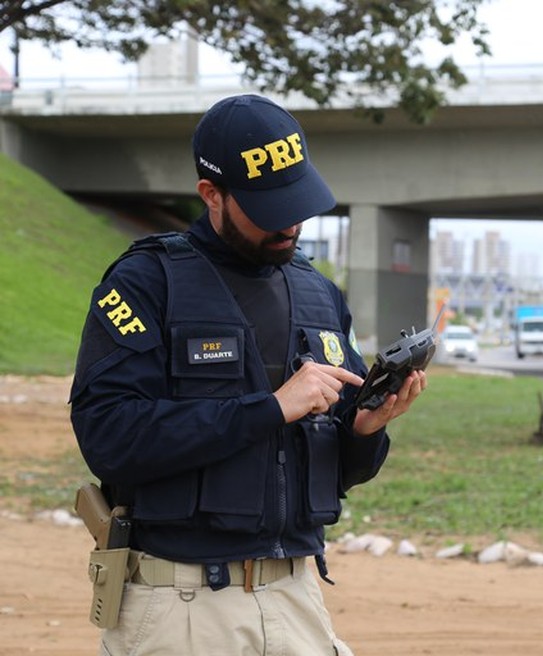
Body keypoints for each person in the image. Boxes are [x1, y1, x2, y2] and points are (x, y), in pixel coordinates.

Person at [69, 93, 426, 655]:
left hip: (296, 595)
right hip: (181, 606)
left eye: (298, 201)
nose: (290, 224)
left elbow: (333, 469)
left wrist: (366, 430)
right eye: (268, 207)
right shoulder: (145, 284)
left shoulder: (320, 294)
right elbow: (110, 438)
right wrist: (271, 407)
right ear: (212, 194)